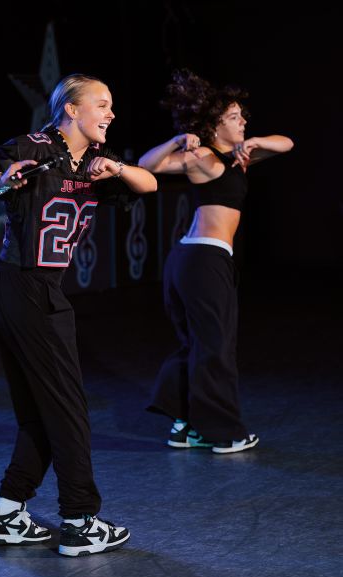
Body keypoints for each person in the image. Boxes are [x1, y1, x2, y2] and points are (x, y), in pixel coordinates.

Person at [0, 74, 156, 556]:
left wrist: (118, 169)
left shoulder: (94, 165)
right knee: (68, 409)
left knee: (42, 411)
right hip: (23, 284)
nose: (110, 113)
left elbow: (148, 184)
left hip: (31, 289)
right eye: (102, 104)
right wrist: (0, 177)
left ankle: (5, 512)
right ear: (71, 110)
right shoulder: (36, 146)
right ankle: (80, 519)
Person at [139, 69, 293, 454]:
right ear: (214, 125)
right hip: (202, 260)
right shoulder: (204, 156)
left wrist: (254, 141)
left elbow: (287, 143)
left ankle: (185, 424)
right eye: (235, 118)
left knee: (199, 344)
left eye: (243, 117)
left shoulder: (237, 157)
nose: (243, 122)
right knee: (216, 347)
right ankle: (223, 432)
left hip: (196, 260)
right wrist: (176, 141)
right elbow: (147, 165)